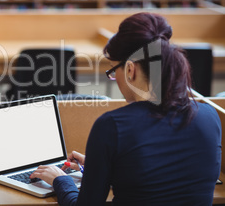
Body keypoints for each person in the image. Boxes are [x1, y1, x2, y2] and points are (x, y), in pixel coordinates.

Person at [30, 12, 222, 205]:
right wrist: (102, 165)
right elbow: (159, 180)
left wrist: (60, 180)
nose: (114, 78)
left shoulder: (113, 125)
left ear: (130, 70)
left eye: (113, 70)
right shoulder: (209, 117)